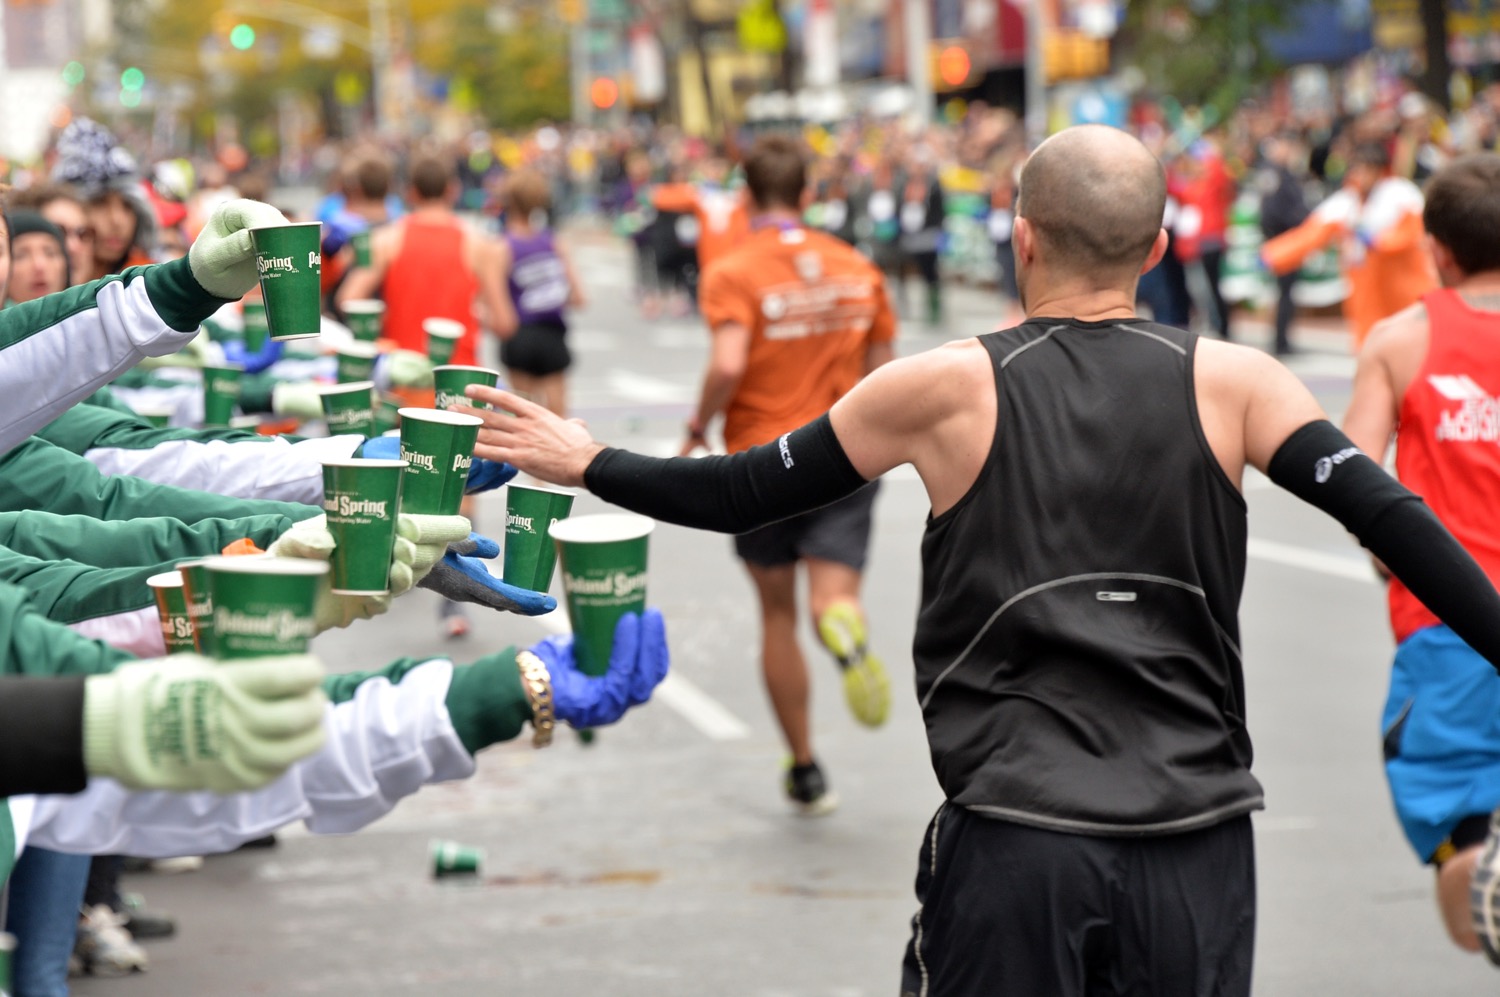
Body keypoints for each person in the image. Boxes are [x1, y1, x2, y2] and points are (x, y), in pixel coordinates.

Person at [463, 124, 1500, 995]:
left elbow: (744, 489)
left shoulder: (945, 387)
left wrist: (586, 458)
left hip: (1017, 837)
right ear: (1160, 245)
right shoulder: (1241, 382)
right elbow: (1395, 516)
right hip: (1198, 833)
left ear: (1021, 238)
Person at [678, 135, 895, 815]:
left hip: (760, 465)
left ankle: (805, 767)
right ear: (808, 194)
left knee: (775, 612)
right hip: (842, 452)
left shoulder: (733, 270)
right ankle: (844, 623)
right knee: (830, 595)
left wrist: (697, 425)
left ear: (747, 197)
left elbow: (729, 362)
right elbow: (884, 366)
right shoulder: (857, 267)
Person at [1339, 152, 1500, 963]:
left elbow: (1349, 478)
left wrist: (1386, 559)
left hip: (1453, 626)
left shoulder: (1403, 341)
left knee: (1459, 840)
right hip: (1451, 632)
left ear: (1436, 248)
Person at [337, 153, 514, 367]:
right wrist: (475, 314)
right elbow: (504, 324)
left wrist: (387, 320)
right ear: (453, 190)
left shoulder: (385, 240)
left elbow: (348, 299)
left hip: (403, 372)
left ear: (411, 193)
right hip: (459, 379)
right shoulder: (481, 245)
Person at [1261, 143, 1437, 351]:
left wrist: (1378, 241)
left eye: (1367, 169)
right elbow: (1311, 234)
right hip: (1365, 286)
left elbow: (1411, 233)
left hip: (1403, 283)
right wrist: (1273, 255)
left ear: (1380, 170)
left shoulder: (1402, 195)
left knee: (1415, 344)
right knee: (1369, 346)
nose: (1361, 175)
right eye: (1358, 169)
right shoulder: (1346, 202)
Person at [494, 169, 585, 416]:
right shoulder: (553, 242)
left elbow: (495, 304)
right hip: (552, 334)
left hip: (519, 335)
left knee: (525, 416)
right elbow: (578, 298)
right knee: (558, 418)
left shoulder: (503, 247)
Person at [1253, 131, 1312, 355]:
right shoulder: (1275, 173)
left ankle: (1282, 339)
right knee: (1283, 292)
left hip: (1286, 239)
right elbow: (1274, 211)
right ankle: (1280, 341)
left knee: (1285, 292)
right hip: (1283, 239)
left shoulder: (1283, 173)